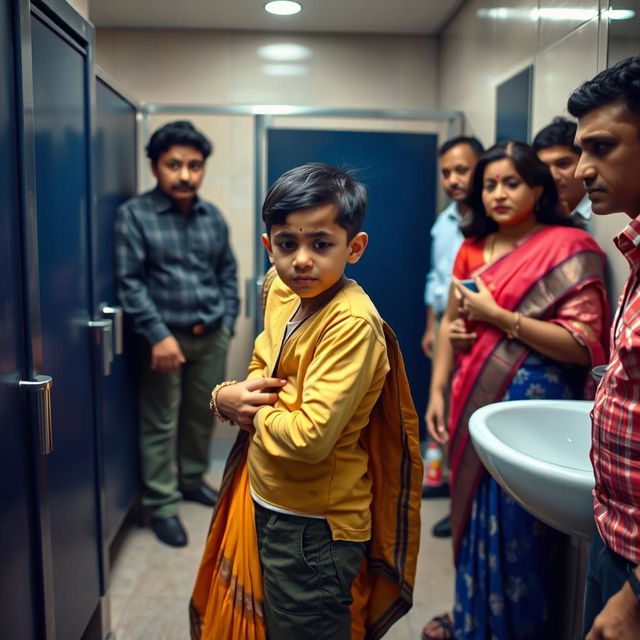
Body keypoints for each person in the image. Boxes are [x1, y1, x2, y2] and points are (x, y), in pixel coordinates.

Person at [190, 163, 422, 640]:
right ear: (268, 246)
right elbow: (263, 362)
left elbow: (309, 438)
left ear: (353, 248)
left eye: (321, 244)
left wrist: (241, 406)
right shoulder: (280, 289)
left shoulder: (351, 325)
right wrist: (229, 395)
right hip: (268, 494)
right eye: (286, 244)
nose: (301, 261)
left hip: (314, 526)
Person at [422, 141, 609, 640]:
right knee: (470, 526)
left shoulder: (571, 247)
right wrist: (437, 390)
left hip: (529, 412)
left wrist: (499, 319)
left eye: (511, 183)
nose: (498, 194)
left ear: (538, 188)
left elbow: (584, 344)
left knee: (519, 539)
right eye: (489, 185)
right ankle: (473, 624)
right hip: (471, 401)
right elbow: (450, 325)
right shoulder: (471, 247)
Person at [114, 120, 239, 547]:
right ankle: (162, 504)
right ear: (155, 167)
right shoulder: (135, 215)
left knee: (203, 413)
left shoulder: (212, 217)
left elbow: (227, 271)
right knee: (160, 421)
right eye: (174, 165)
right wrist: (156, 334)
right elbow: (129, 282)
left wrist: (226, 319)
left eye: (194, 165)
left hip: (210, 335)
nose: (185, 175)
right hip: (164, 340)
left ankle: (190, 480)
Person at [566, 55, 640, 640]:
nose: (583, 170)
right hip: (616, 536)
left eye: (602, 147)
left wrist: (636, 596)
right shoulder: (634, 251)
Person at [422, 137, 484, 538]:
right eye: (446, 171)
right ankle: (446, 489)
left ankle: (465, 503)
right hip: (444, 325)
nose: (453, 179)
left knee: (469, 418)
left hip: (475, 332)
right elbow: (437, 279)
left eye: (462, 170)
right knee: (442, 409)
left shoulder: (490, 222)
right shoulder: (444, 222)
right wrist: (431, 325)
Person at [532, 116, 592, 230]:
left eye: (563, 164)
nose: (553, 176)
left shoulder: (605, 212)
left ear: (584, 161)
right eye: (544, 166)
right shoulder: (536, 215)